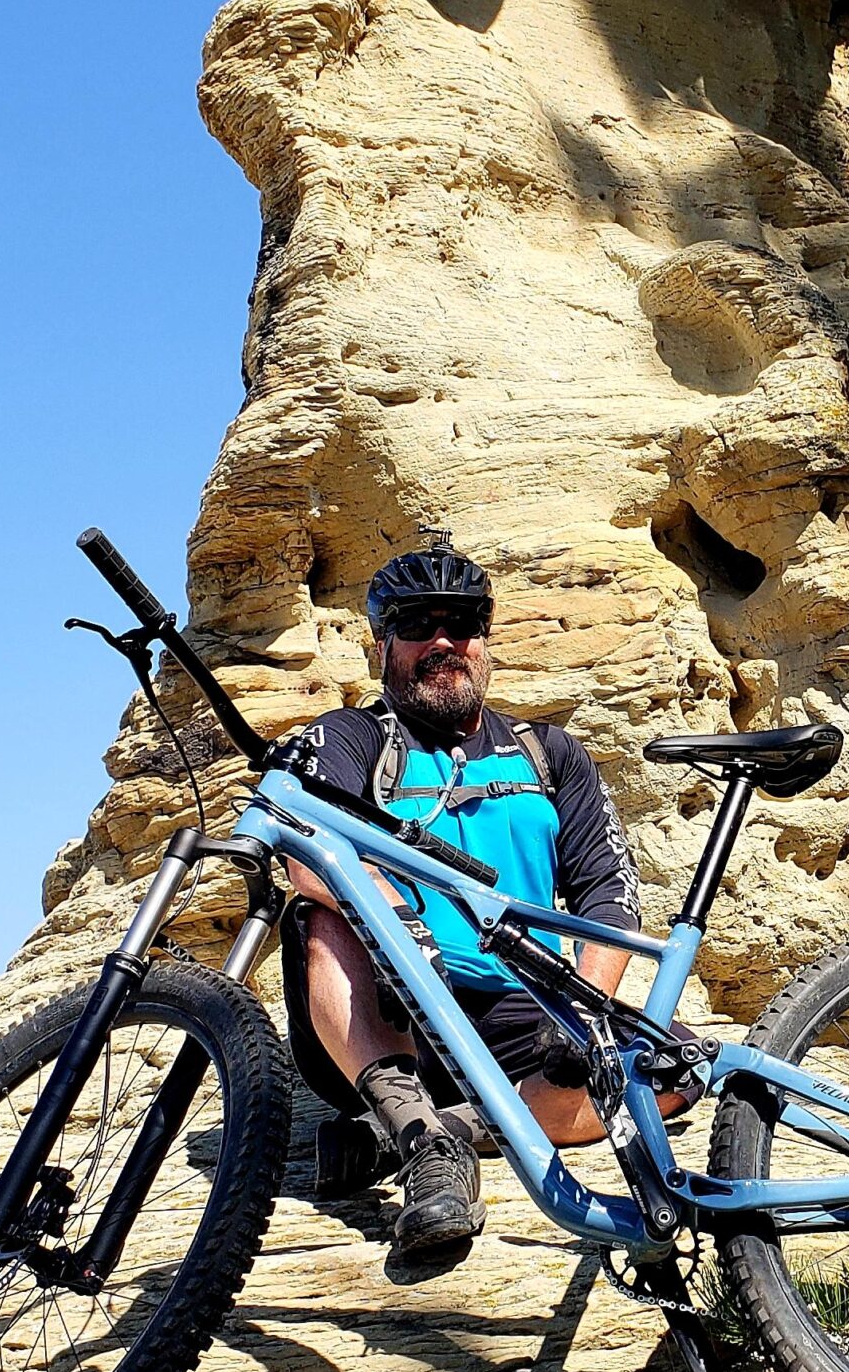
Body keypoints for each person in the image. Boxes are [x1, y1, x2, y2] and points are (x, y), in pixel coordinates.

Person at [270, 534, 648, 1264]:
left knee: (669, 1078)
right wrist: (392, 918)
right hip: (395, 999)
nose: (442, 642)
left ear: (486, 637)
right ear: (383, 644)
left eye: (463, 623)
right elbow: (307, 853)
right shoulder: (350, 736)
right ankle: (421, 1143)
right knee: (321, 916)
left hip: (522, 1014)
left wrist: (584, 1017)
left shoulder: (549, 753)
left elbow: (608, 892)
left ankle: (438, 1128)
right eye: (417, 626)